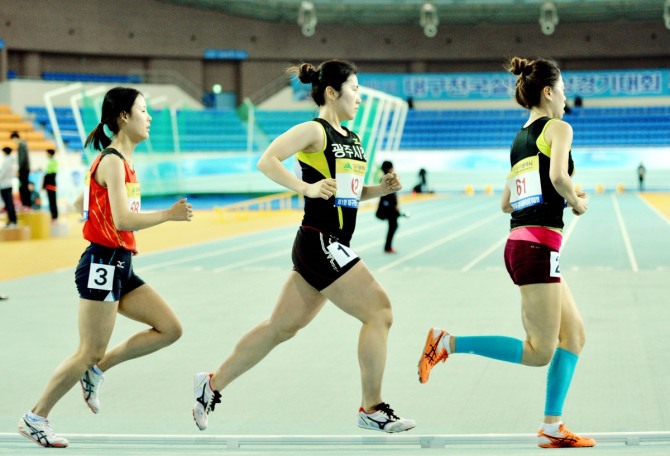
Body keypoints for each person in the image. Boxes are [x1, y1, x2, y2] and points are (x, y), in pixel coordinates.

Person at [192, 60, 415, 434]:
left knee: (279, 328)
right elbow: (268, 160)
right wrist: (306, 187)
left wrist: (380, 190)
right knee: (380, 312)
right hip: (319, 239)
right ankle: (372, 407)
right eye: (355, 89)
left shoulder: (353, 139)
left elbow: (347, 195)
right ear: (332, 92)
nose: (359, 97)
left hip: (332, 243)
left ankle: (210, 385)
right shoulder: (314, 131)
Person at [418, 57, 595, 449]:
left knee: (575, 335)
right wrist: (575, 202)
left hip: (526, 244)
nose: (566, 97)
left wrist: (562, 196)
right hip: (536, 247)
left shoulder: (520, 140)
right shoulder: (559, 128)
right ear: (548, 92)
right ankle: (446, 342)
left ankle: (552, 426)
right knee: (538, 352)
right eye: (562, 88)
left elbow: (507, 202)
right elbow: (557, 178)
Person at [18, 87, 193, 448]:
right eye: (143, 110)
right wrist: (169, 215)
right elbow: (123, 218)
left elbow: (89, 204)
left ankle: (97, 371)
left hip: (120, 263)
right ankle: (35, 417)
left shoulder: (122, 163)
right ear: (123, 117)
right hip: (102, 262)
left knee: (170, 328)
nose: (149, 118)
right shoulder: (112, 161)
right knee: (87, 350)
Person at [376, 160, 401, 253]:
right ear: (389, 168)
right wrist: (395, 205)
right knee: (393, 226)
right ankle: (387, 247)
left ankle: (388, 246)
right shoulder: (386, 179)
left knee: (393, 226)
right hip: (389, 207)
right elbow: (389, 194)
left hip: (390, 206)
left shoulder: (385, 178)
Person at [11, 131, 31, 209]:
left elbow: (22, 159)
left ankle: (26, 204)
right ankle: (26, 204)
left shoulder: (21, 145)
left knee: (23, 187)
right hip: (24, 169)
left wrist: (19, 169)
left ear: (15, 138)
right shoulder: (23, 145)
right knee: (23, 186)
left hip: (24, 169)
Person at [0, 146, 18, 228]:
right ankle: (11, 220)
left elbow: (2, 173)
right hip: (8, 184)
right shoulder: (10, 161)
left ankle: (13, 221)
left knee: (9, 204)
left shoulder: (7, 161)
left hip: (5, 184)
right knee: (8, 204)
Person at [42, 148, 58, 220]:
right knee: (51, 200)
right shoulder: (51, 161)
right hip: (50, 184)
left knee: (52, 200)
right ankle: (53, 215)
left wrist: (45, 183)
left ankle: (54, 215)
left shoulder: (53, 162)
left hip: (51, 184)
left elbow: (51, 174)